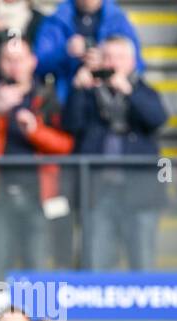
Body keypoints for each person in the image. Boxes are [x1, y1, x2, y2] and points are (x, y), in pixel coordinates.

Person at [0, 37, 74, 281]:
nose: (14, 66)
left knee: (38, 257)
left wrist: (35, 130)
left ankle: (37, 319)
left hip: (38, 194)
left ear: (32, 62)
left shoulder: (47, 97)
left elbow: (65, 144)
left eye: (19, 59)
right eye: (8, 60)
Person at [63, 36, 168, 270]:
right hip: (99, 192)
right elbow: (71, 125)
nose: (113, 63)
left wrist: (130, 92)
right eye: (108, 56)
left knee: (142, 263)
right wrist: (78, 90)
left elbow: (157, 119)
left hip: (140, 194)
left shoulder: (143, 90)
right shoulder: (89, 91)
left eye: (119, 57)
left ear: (132, 61)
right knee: (96, 262)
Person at [34, 0, 143, 104]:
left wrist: (105, 62)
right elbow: (38, 63)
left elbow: (137, 64)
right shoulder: (56, 20)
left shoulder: (118, 20)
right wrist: (66, 51)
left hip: (110, 100)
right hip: (65, 99)